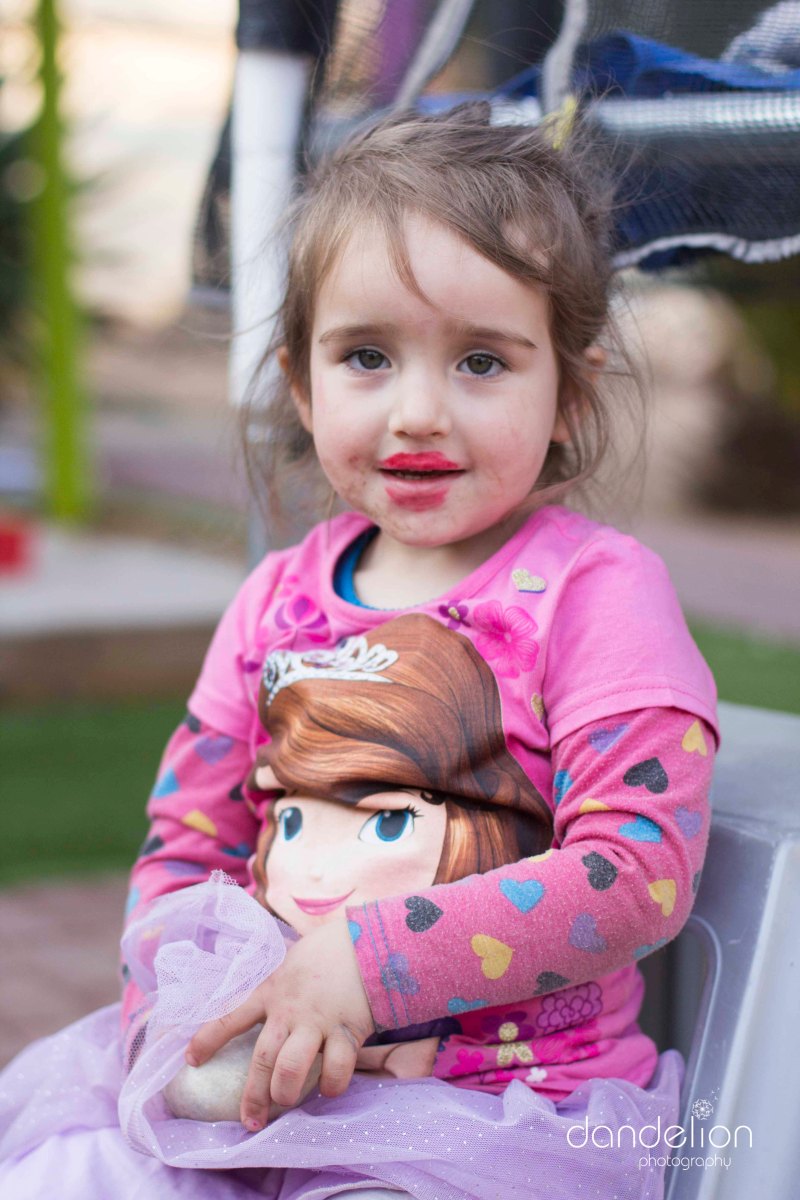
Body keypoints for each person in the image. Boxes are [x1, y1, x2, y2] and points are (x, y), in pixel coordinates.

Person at [0, 101, 719, 1200]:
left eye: (482, 361)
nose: (418, 411)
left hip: (496, 1117)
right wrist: (180, 1019)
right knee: (71, 1174)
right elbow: (188, 846)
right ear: (302, 381)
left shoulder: (594, 594)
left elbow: (637, 874)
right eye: (367, 356)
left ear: (569, 395)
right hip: (263, 1093)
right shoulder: (274, 602)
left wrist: (369, 964)